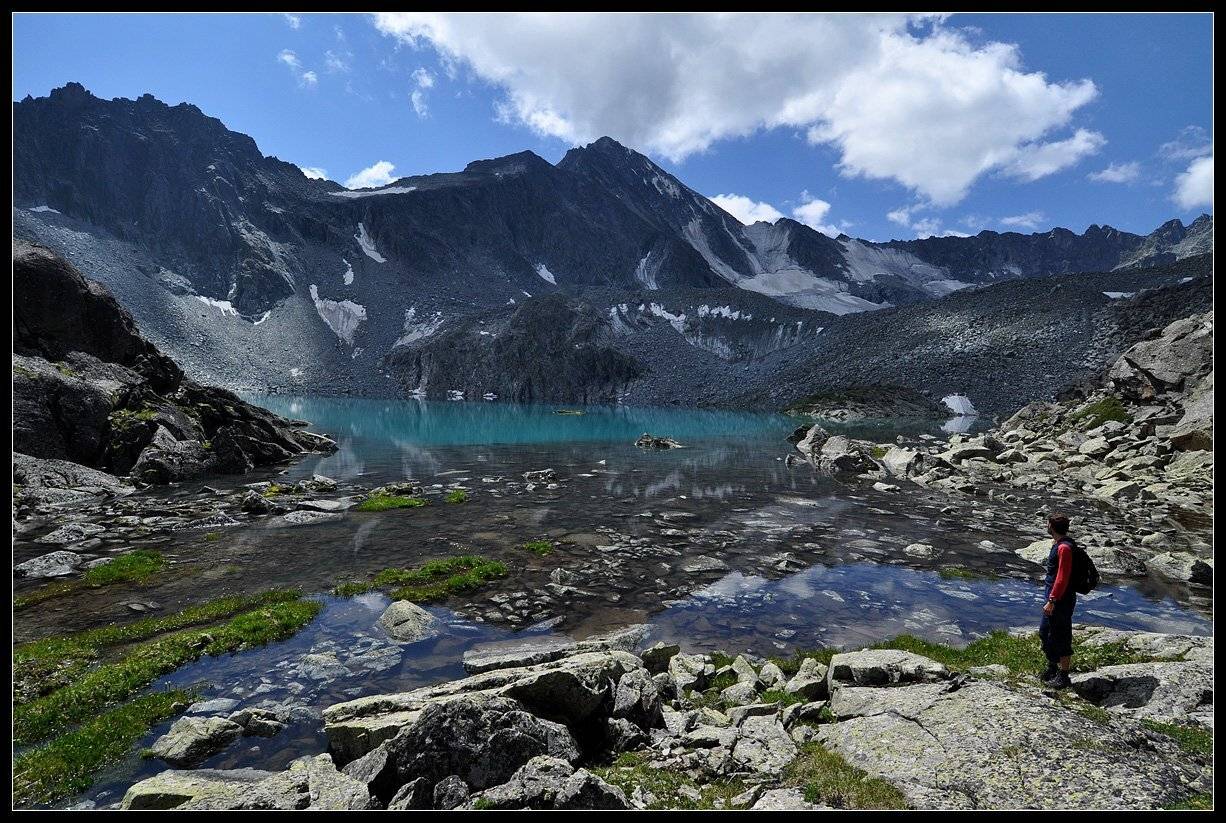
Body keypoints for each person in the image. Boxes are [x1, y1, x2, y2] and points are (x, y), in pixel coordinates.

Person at [1039, 512, 1077, 689]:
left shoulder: (1064, 548)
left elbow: (1062, 577)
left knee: (1061, 635)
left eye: (1048, 524)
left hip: (1061, 600)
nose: (1046, 526)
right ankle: (1052, 667)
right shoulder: (1058, 544)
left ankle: (1063, 676)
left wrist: (1052, 600)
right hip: (1054, 597)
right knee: (1046, 632)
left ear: (1051, 527)